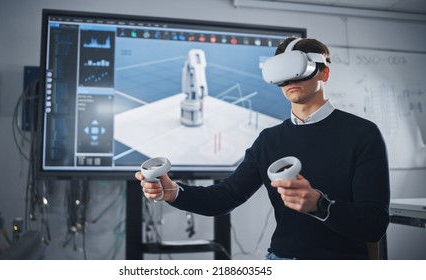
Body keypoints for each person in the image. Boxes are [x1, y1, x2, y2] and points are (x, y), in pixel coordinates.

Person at [135, 37, 390, 260]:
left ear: (324, 73)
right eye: (283, 73)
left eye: (298, 70)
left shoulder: (362, 134)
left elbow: (374, 225)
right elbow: (225, 197)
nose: (290, 80)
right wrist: (173, 192)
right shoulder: (270, 139)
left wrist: (320, 205)